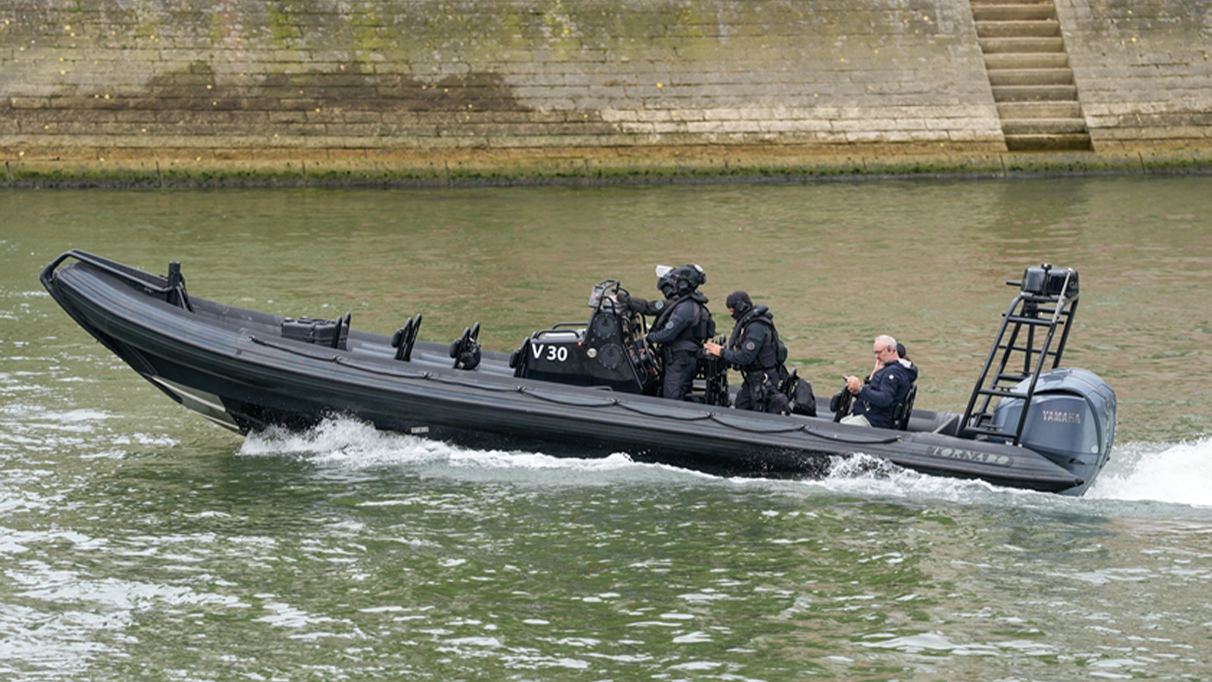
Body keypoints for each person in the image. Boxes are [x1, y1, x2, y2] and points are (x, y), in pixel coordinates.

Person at [618, 264, 713, 401]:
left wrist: (649, 338)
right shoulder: (688, 304)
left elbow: (668, 334)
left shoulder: (685, 308)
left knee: (672, 398)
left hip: (680, 361)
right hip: (681, 359)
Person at [704, 291, 789, 414]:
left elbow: (746, 357)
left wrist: (721, 352)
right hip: (752, 379)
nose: (731, 313)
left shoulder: (756, 327)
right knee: (741, 406)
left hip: (763, 380)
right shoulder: (747, 323)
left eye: (732, 309)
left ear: (740, 307)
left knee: (760, 412)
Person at [839, 334, 917, 428]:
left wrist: (861, 389)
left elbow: (885, 399)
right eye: (875, 353)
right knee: (841, 422)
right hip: (869, 414)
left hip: (876, 420)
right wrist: (857, 391)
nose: (876, 356)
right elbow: (875, 392)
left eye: (879, 352)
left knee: (842, 427)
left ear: (890, 349)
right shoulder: (890, 369)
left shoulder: (893, 373)